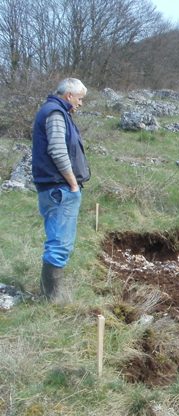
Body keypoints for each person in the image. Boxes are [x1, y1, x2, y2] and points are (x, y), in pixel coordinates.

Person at [32, 78, 90, 302]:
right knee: (60, 244)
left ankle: (50, 296)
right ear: (68, 95)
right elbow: (57, 150)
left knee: (57, 242)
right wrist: (73, 183)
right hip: (59, 188)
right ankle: (51, 300)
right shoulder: (55, 114)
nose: (80, 103)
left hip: (54, 186)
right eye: (80, 98)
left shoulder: (54, 111)